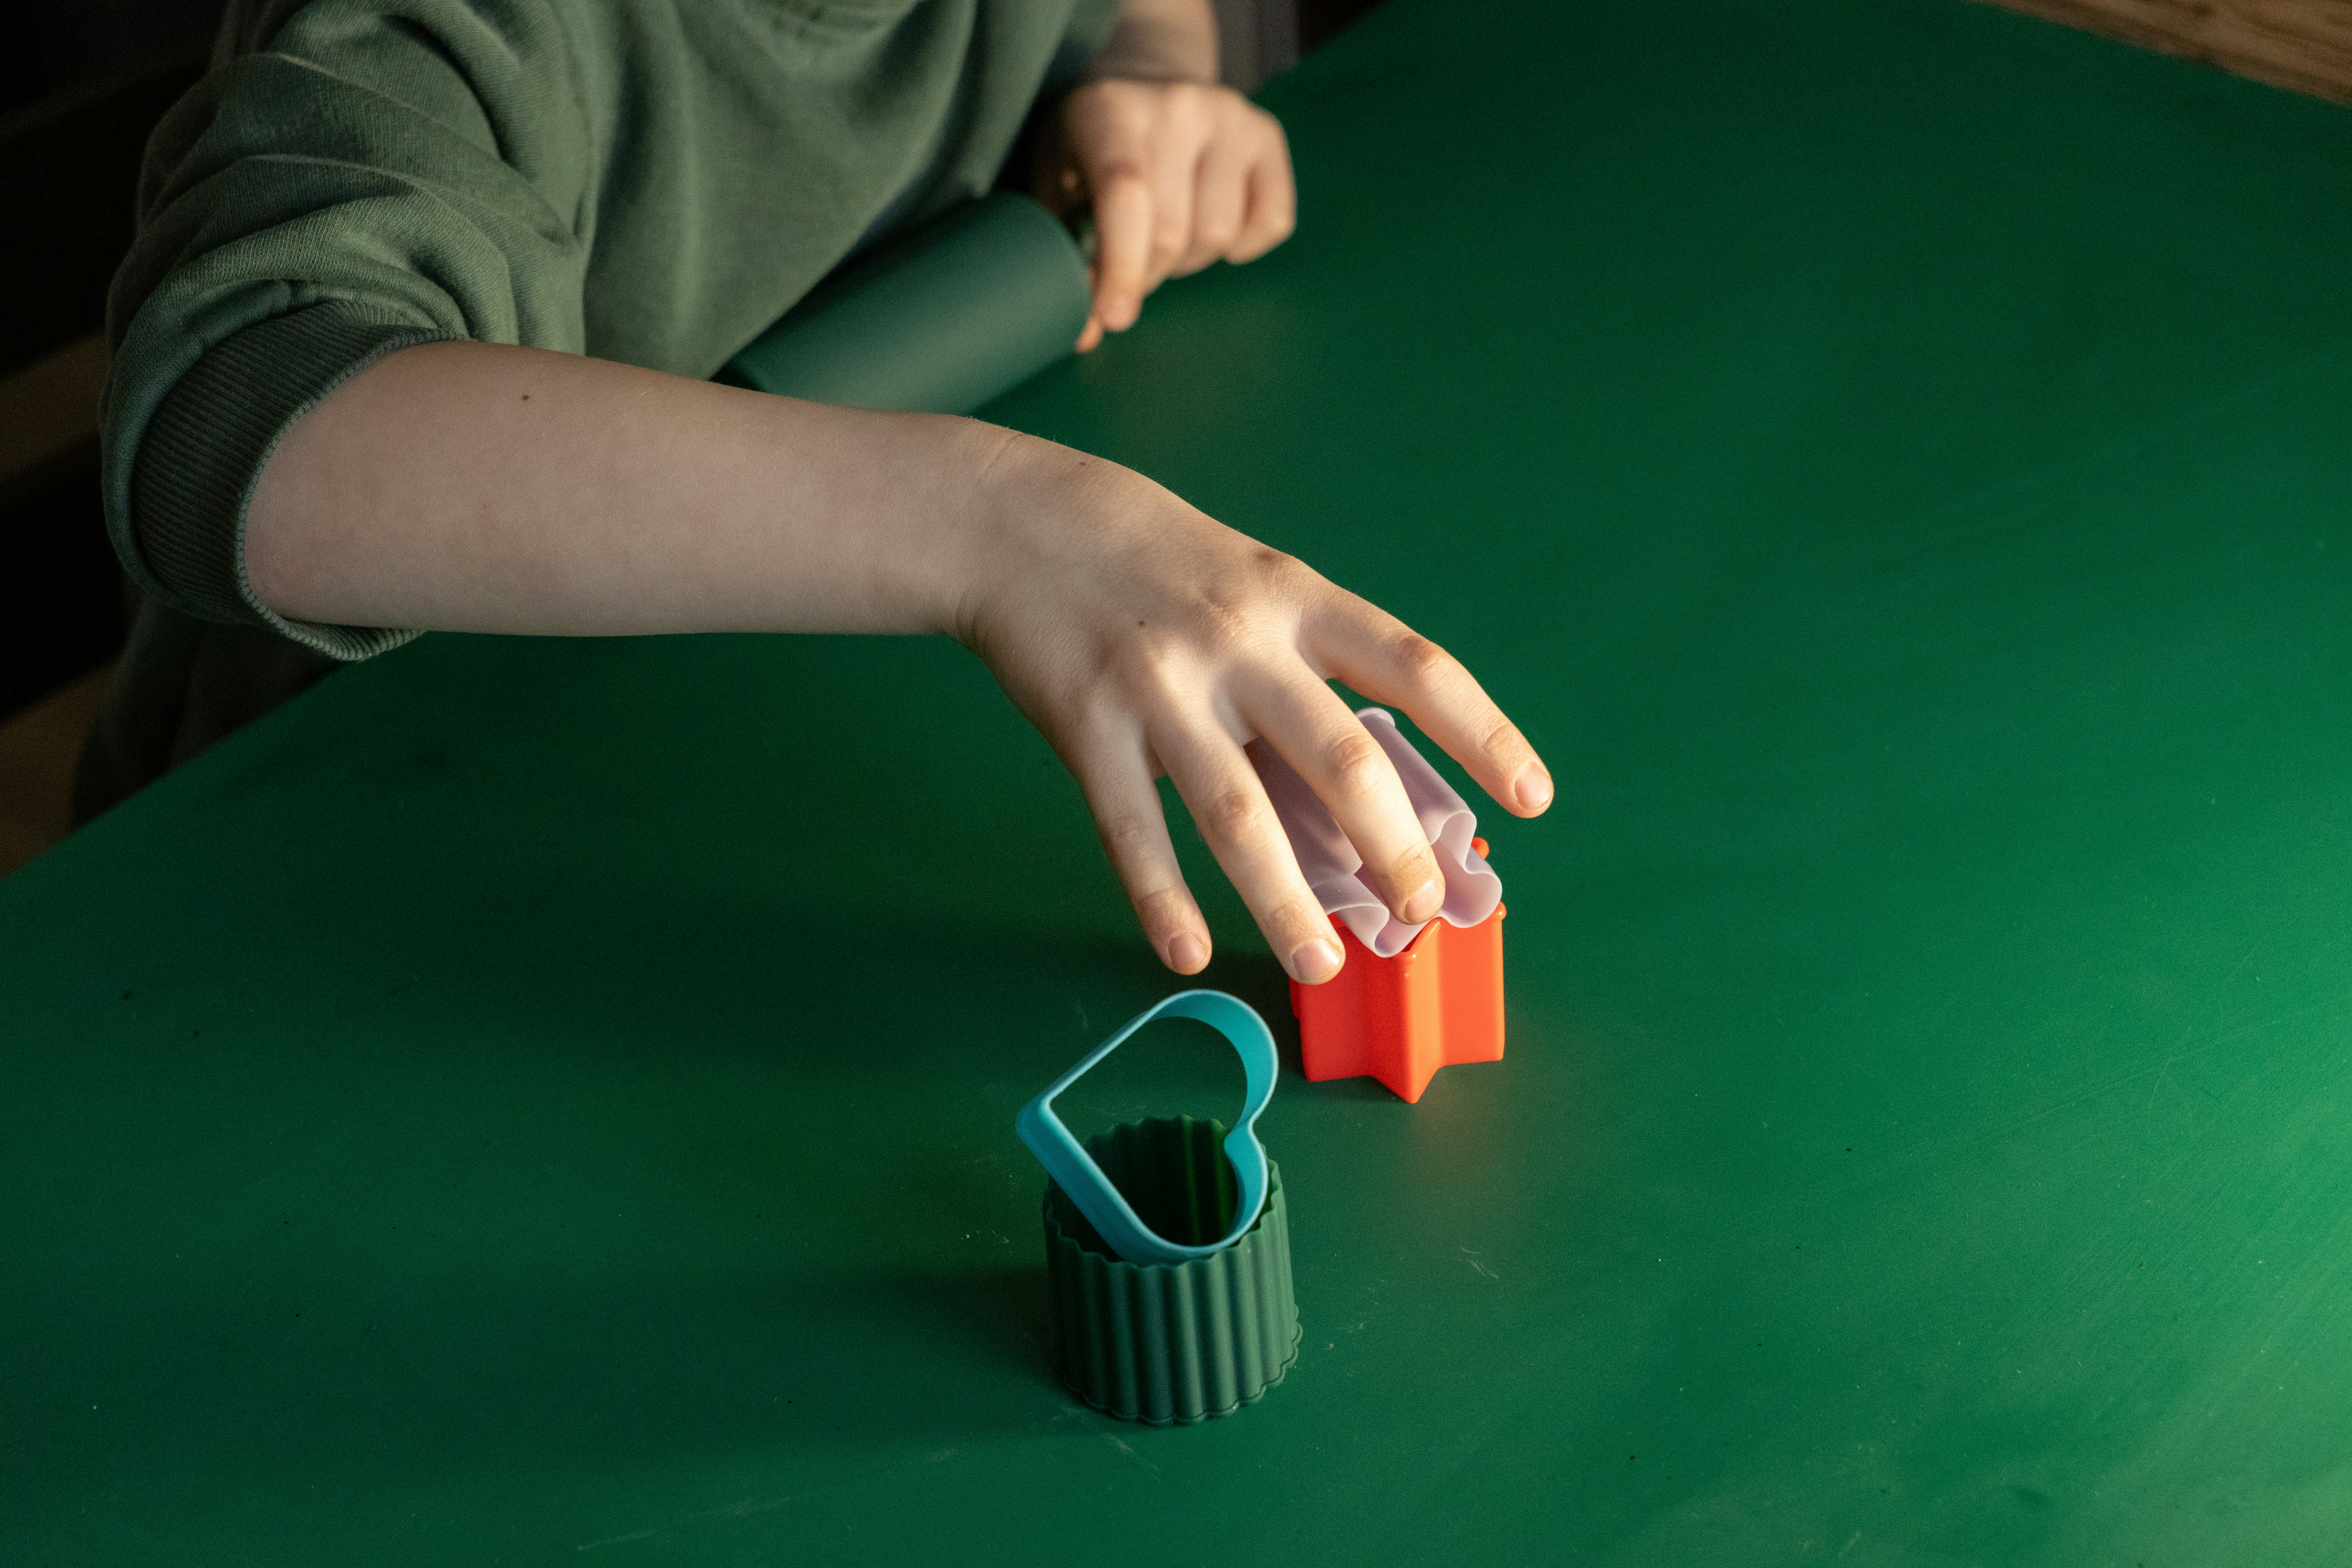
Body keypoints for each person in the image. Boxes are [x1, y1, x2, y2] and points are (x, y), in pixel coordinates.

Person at [90, 0, 1552, 985]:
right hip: (328, 872)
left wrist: (1150, 72)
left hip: (738, 736)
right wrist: (993, 519)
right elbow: (236, 412)